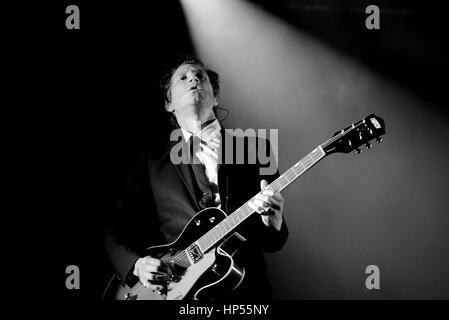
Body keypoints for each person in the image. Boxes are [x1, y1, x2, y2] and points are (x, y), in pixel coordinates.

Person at [104, 56, 288, 300]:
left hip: (243, 289)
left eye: (200, 76)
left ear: (215, 97)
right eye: (183, 77)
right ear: (169, 103)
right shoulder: (151, 160)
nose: (193, 78)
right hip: (175, 291)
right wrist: (137, 265)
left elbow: (273, 242)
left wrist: (273, 221)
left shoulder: (257, 149)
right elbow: (114, 227)